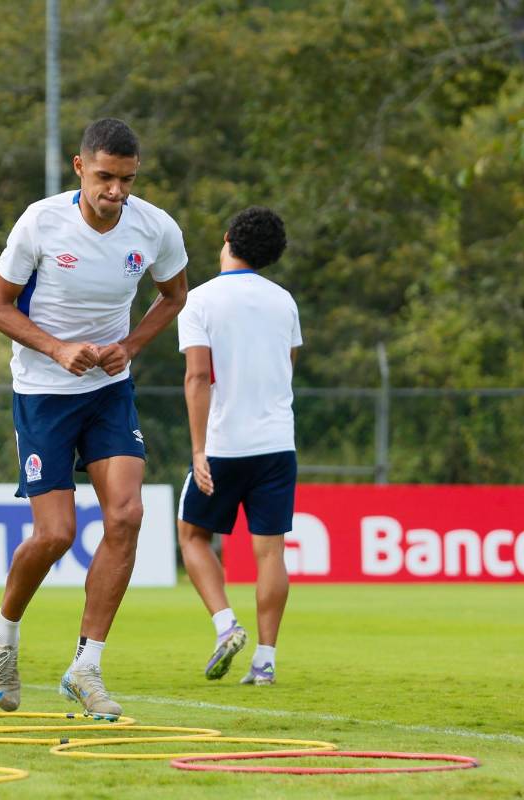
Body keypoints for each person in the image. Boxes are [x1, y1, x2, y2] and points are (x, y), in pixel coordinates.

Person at [0, 118, 189, 717]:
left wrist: (132, 344)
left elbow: (174, 295)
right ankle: (4, 633)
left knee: (127, 515)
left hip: (108, 390)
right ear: (79, 168)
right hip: (43, 391)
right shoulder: (42, 221)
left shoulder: (156, 227)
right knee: (57, 534)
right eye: (104, 177)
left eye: (126, 179)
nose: (116, 191)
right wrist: (55, 348)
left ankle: (86, 667)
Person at [176, 207, 298, 687]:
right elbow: (288, 365)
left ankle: (226, 625)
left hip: (225, 444)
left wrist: (199, 450)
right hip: (276, 444)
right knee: (270, 553)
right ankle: (265, 661)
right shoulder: (284, 301)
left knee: (192, 536)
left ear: (227, 238)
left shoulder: (200, 301)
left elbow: (198, 376)